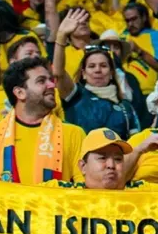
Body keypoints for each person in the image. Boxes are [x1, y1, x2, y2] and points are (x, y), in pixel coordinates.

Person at [0, 57, 87, 184]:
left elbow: (83, 187)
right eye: (41, 81)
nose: (52, 85)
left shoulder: (74, 134)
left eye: (50, 80)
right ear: (20, 93)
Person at [53, 9, 141, 139]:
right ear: (83, 73)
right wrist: (61, 36)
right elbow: (58, 73)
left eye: (103, 66)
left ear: (111, 73)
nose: (98, 70)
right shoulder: (75, 97)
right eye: (91, 66)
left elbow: (135, 143)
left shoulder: (126, 107)